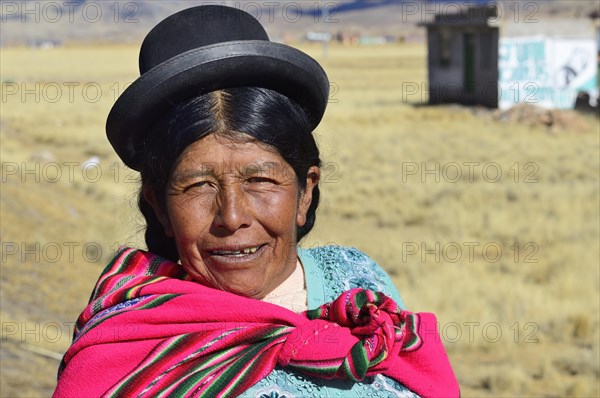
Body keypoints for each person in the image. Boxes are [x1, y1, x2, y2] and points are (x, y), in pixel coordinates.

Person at [54, 5, 459, 397]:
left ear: (306, 191)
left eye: (260, 180)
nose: (231, 216)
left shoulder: (356, 280)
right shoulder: (126, 346)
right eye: (197, 187)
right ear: (159, 206)